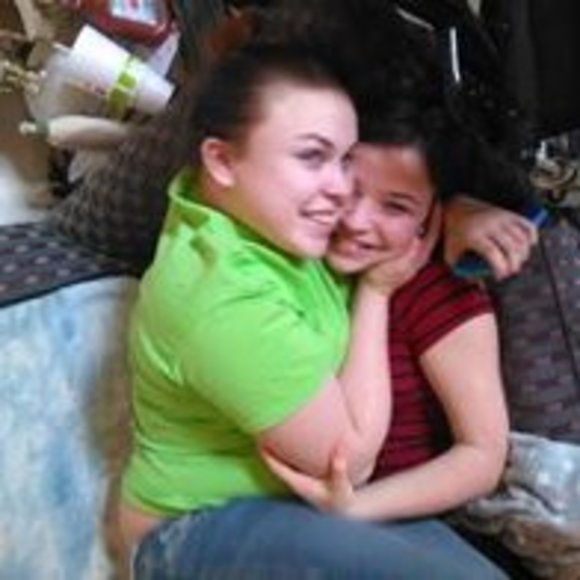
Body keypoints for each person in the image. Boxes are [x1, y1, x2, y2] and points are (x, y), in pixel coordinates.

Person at [116, 37, 508, 579]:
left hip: (299, 508)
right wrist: (376, 293)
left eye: (344, 160)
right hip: (194, 524)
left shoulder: (268, 221)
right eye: (311, 157)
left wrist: (463, 210)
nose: (342, 193)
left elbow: (402, 180)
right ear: (221, 160)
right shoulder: (224, 296)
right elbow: (352, 461)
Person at [263, 100, 510, 526]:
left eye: (395, 206)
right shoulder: (293, 253)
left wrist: (354, 509)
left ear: (431, 218)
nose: (357, 221)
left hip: (398, 516)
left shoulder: (437, 291)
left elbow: (482, 454)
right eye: (350, 186)